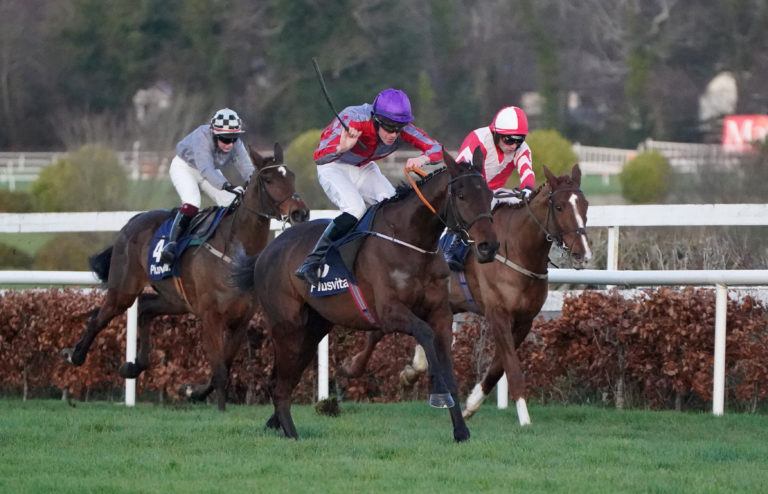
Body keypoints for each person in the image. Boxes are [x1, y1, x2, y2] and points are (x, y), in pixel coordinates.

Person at [294, 88, 443, 285]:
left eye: (398, 129)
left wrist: (423, 158)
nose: (393, 134)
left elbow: (436, 148)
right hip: (333, 166)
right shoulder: (353, 118)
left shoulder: (399, 127)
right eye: (388, 128)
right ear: (376, 119)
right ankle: (311, 262)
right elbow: (319, 156)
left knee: (393, 208)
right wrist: (342, 147)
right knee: (356, 209)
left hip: (364, 167)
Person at [441, 106, 536, 271]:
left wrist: (528, 191)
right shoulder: (477, 139)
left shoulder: (522, 149)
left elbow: (527, 171)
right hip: (470, 192)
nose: (514, 146)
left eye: (519, 140)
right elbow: (462, 174)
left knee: (530, 205)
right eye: (509, 140)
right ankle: (450, 250)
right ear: (496, 134)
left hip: (496, 192)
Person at [160, 108, 255, 263]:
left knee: (232, 203)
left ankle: (229, 245)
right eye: (225, 139)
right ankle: (171, 244)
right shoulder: (202, 136)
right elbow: (206, 169)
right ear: (215, 134)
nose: (230, 144)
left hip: (209, 170)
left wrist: (256, 184)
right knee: (192, 203)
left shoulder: (236, 144)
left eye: (234, 138)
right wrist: (227, 185)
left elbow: (247, 169)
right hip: (185, 168)